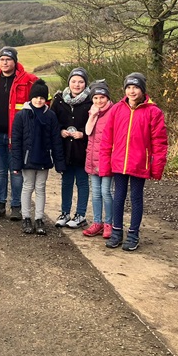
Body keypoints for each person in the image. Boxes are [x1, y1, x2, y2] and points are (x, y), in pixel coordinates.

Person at [99, 73, 167, 251]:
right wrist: (105, 163)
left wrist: (157, 167)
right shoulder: (117, 109)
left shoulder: (153, 112)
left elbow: (159, 142)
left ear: (142, 90)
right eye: (129, 87)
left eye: (135, 87)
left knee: (136, 198)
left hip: (139, 164)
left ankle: (133, 234)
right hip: (119, 162)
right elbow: (107, 138)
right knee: (118, 196)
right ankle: (116, 231)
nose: (132, 90)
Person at [0, 47, 38, 221]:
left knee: (16, 172)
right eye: (2, 59)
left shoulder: (29, 81)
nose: (5, 62)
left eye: (8, 59)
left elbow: (43, 100)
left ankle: (17, 206)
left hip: (18, 137)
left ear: (15, 61)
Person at [10, 80, 65, 236]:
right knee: (27, 187)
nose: (39, 100)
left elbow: (56, 140)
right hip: (28, 159)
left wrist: (59, 163)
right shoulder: (21, 115)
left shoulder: (51, 116)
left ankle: (39, 219)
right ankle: (26, 218)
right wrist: (16, 163)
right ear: (31, 97)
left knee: (40, 188)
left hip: (44, 159)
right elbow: (16, 141)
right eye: (36, 97)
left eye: (42, 97)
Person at [50, 67, 93, 229]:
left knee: (82, 182)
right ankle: (65, 212)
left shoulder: (91, 101)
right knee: (66, 182)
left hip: (83, 149)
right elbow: (52, 122)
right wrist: (60, 130)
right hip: (65, 150)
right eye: (74, 81)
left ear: (85, 84)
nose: (77, 85)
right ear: (69, 82)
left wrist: (83, 134)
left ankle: (80, 214)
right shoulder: (59, 100)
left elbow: (98, 126)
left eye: (81, 82)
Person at [83, 81, 115, 238]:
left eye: (102, 97)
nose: (99, 101)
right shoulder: (92, 112)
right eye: (95, 98)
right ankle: (97, 222)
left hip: (107, 159)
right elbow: (88, 131)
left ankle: (109, 223)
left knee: (106, 192)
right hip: (93, 159)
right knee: (95, 193)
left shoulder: (114, 112)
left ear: (107, 98)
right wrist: (94, 114)